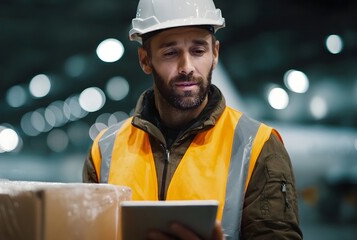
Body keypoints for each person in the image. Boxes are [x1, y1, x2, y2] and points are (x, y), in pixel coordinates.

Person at [83, 0, 303, 239]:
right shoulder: (105, 151)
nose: (186, 67)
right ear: (145, 60)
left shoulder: (259, 147)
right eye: (170, 53)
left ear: (215, 53)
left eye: (198, 51)